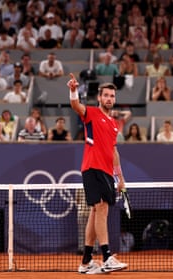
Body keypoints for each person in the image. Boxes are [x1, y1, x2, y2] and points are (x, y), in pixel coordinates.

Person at [67, 74, 128, 274]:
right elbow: (76, 105)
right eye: (106, 95)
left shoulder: (113, 124)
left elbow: (114, 152)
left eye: (112, 96)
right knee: (101, 208)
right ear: (99, 98)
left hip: (107, 172)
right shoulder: (91, 113)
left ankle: (86, 262)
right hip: (92, 167)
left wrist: (120, 177)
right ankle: (107, 256)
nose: (109, 98)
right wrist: (73, 89)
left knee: (96, 211)